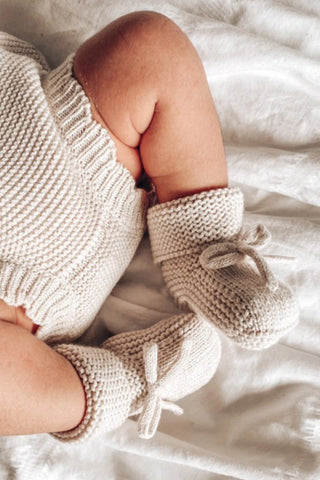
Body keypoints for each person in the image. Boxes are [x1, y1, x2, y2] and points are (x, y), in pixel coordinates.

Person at [0, 11, 299, 442]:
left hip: (72, 136)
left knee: (147, 45)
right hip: (14, 317)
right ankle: (128, 379)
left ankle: (199, 245)